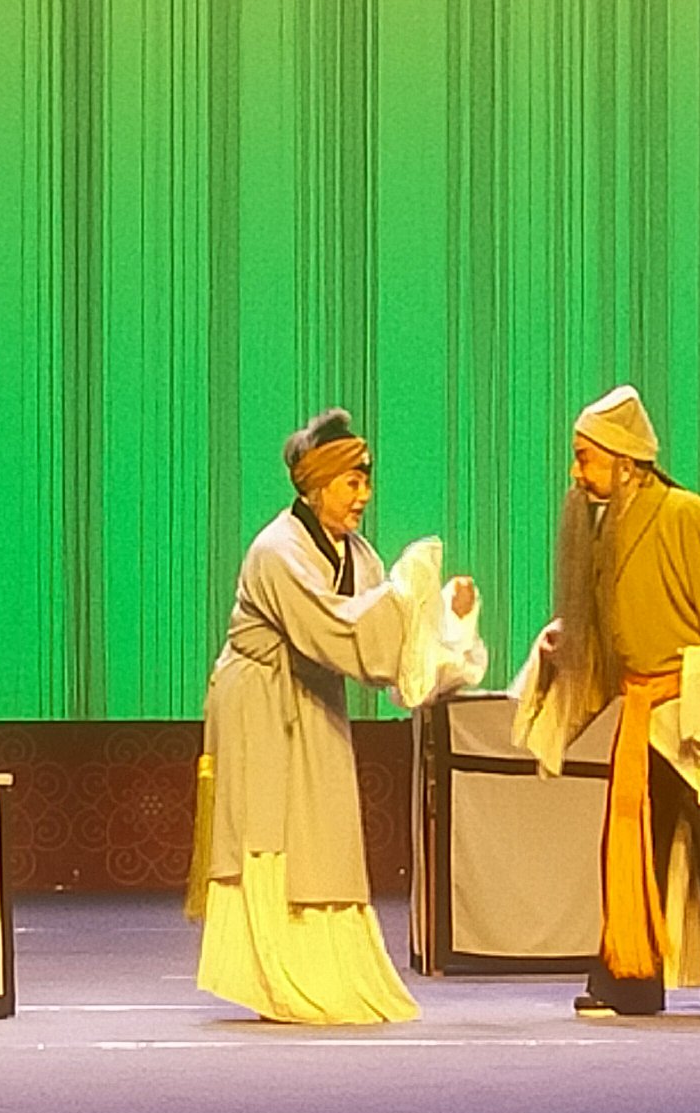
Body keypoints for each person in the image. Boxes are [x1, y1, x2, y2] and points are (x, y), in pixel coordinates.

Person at [514, 385, 700, 1021]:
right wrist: (566, 648)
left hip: (697, 708)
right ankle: (629, 977)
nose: (576, 472)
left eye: (585, 458)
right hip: (644, 711)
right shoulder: (609, 529)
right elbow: (615, 635)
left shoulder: (685, 514)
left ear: (625, 462)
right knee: (632, 841)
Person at [192, 407, 484, 1024]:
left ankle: (326, 972)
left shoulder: (355, 553)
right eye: (352, 482)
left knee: (322, 834)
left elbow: (389, 636)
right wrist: (407, 589)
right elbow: (340, 628)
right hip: (261, 702)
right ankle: (275, 975)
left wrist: (445, 618)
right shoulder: (277, 551)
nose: (363, 496)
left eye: (366, 481)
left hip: (312, 693)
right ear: (316, 485)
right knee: (274, 831)